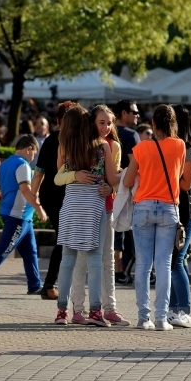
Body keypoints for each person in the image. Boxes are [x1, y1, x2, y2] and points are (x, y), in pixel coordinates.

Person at [60, 105, 129, 326]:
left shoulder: (113, 146)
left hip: (106, 206)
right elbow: (59, 176)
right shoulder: (77, 145)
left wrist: (112, 188)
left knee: (107, 259)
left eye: (110, 123)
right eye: (102, 122)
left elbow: (113, 177)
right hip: (90, 206)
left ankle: (109, 308)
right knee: (83, 261)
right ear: (92, 123)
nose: (107, 127)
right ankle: (80, 309)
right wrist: (75, 175)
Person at [123, 104, 185, 331]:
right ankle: (160, 318)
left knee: (143, 264)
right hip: (169, 207)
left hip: (144, 207)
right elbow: (179, 176)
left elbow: (128, 182)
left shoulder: (141, 149)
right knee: (164, 264)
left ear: (154, 124)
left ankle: (143, 317)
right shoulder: (180, 146)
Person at [0, 134, 46, 295]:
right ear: (29, 149)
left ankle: (35, 284)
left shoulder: (4, 165)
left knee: (30, 251)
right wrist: (39, 209)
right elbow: (25, 190)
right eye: (34, 154)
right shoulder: (23, 165)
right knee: (4, 249)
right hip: (17, 216)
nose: (33, 158)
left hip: (22, 217)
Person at [32, 101, 78, 300]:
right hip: (64, 194)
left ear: (58, 120)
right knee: (64, 239)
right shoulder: (74, 140)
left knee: (63, 237)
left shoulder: (50, 139)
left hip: (48, 194)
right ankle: (50, 284)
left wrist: (34, 198)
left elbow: (39, 172)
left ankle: (52, 284)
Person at [167, 104, 191, 329]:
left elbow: (186, 184)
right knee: (176, 261)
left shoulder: (188, 150)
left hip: (189, 212)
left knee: (175, 261)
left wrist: (162, 176)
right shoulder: (176, 148)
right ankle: (174, 308)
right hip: (178, 209)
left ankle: (184, 311)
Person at [112, 100, 140, 285]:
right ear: (124, 113)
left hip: (106, 186)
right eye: (134, 112)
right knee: (124, 231)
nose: (137, 115)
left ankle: (113, 270)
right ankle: (120, 271)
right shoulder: (131, 135)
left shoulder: (106, 132)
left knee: (112, 231)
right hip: (125, 188)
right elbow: (136, 164)